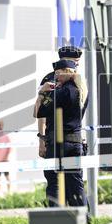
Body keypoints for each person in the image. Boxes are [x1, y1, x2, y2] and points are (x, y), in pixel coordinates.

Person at [34, 59, 88, 210]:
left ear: (67, 72)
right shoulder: (82, 90)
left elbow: (38, 112)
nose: (56, 77)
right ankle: (86, 222)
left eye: (58, 73)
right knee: (76, 186)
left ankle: (57, 220)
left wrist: (42, 92)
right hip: (76, 143)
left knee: (54, 183)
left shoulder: (61, 92)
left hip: (58, 145)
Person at [35, 46, 83, 160]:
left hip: (72, 139)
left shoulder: (77, 81)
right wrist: (42, 140)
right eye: (75, 62)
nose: (77, 65)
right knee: (54, 175)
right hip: (55, 139)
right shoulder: (52, 80)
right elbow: (42, 114)